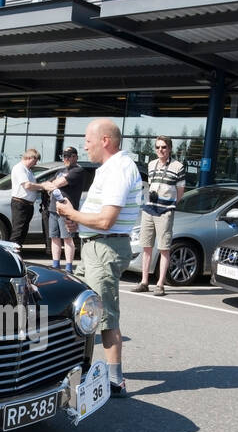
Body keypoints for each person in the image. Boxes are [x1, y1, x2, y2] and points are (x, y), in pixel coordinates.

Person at [55, 118, 144, 397]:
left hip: (104, 248)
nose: (85, 146)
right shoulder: (112, 168)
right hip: (97, 246)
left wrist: (72, 215)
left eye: (88, 140)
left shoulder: (119, 168)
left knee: (102, 314)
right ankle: (82, 371)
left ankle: (115, 381)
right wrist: (77, 222)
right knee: (82, 309)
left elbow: (107, 220)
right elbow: (100, 219)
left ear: (105, 140)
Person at [137, 135, 185, 295]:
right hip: (149, 209)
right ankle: (144, 282)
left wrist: (169, 204)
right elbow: (151, 185)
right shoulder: (151, 164)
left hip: (165, 211)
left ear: (170, 148)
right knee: (146, 246)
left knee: (164, 248)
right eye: (157, 147)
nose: (160, 150)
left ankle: (160, 284)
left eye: (163, 147)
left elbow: (180, 193)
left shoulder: (178, 166)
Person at [42, 146, 85, 272]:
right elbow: (46, 184)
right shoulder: (60, 170)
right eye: (64, 156)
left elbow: (58, 183)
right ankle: (56, 264)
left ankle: (69, 266)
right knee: (54, 237)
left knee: (67, 238)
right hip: (53, 208)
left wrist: (53, 184)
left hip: (67, 209)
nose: (65, 159)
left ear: (75, 157)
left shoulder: (77, 171)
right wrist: (51, 184)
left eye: (68, 156)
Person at [9, 148, 44, 248]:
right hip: (21, 204)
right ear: (30, 158)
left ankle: (17, 252)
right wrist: (43, 186)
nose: (36, 163)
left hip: (27, 204)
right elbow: (27, 185)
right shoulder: (19, 168)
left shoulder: (28, 170)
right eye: (35, 160)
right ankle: (12, 253)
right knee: (18, 231)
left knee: (23, 231)